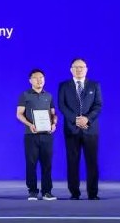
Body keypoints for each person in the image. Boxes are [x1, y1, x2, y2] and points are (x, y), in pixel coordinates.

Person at [57, 58, 103, 200]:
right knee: (72, 162)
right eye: (76, 67)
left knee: (92, 162)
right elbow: (62, 105)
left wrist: (87, 119)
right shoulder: (64, 86)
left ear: (86, 69)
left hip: (90, 129)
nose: (79, 69)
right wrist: (75, 119)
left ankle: (93, 193)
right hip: (71, 129)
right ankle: (74, 193)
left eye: (81, 67)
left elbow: (98, 105)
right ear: (71, 69)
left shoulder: (94, 85)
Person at [16, 68, 57, 200]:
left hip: (47, 135)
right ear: (30, 80)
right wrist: (30, 125)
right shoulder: (25, 95)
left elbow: (53, 114)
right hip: (31, 134)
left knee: (47, 164)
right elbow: (19, 114)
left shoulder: (48, 96)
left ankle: (47, 191)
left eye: (41, 78)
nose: (39, 80)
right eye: (36, 78)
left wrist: (54, 124)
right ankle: (32, 191)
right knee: (31, 163)